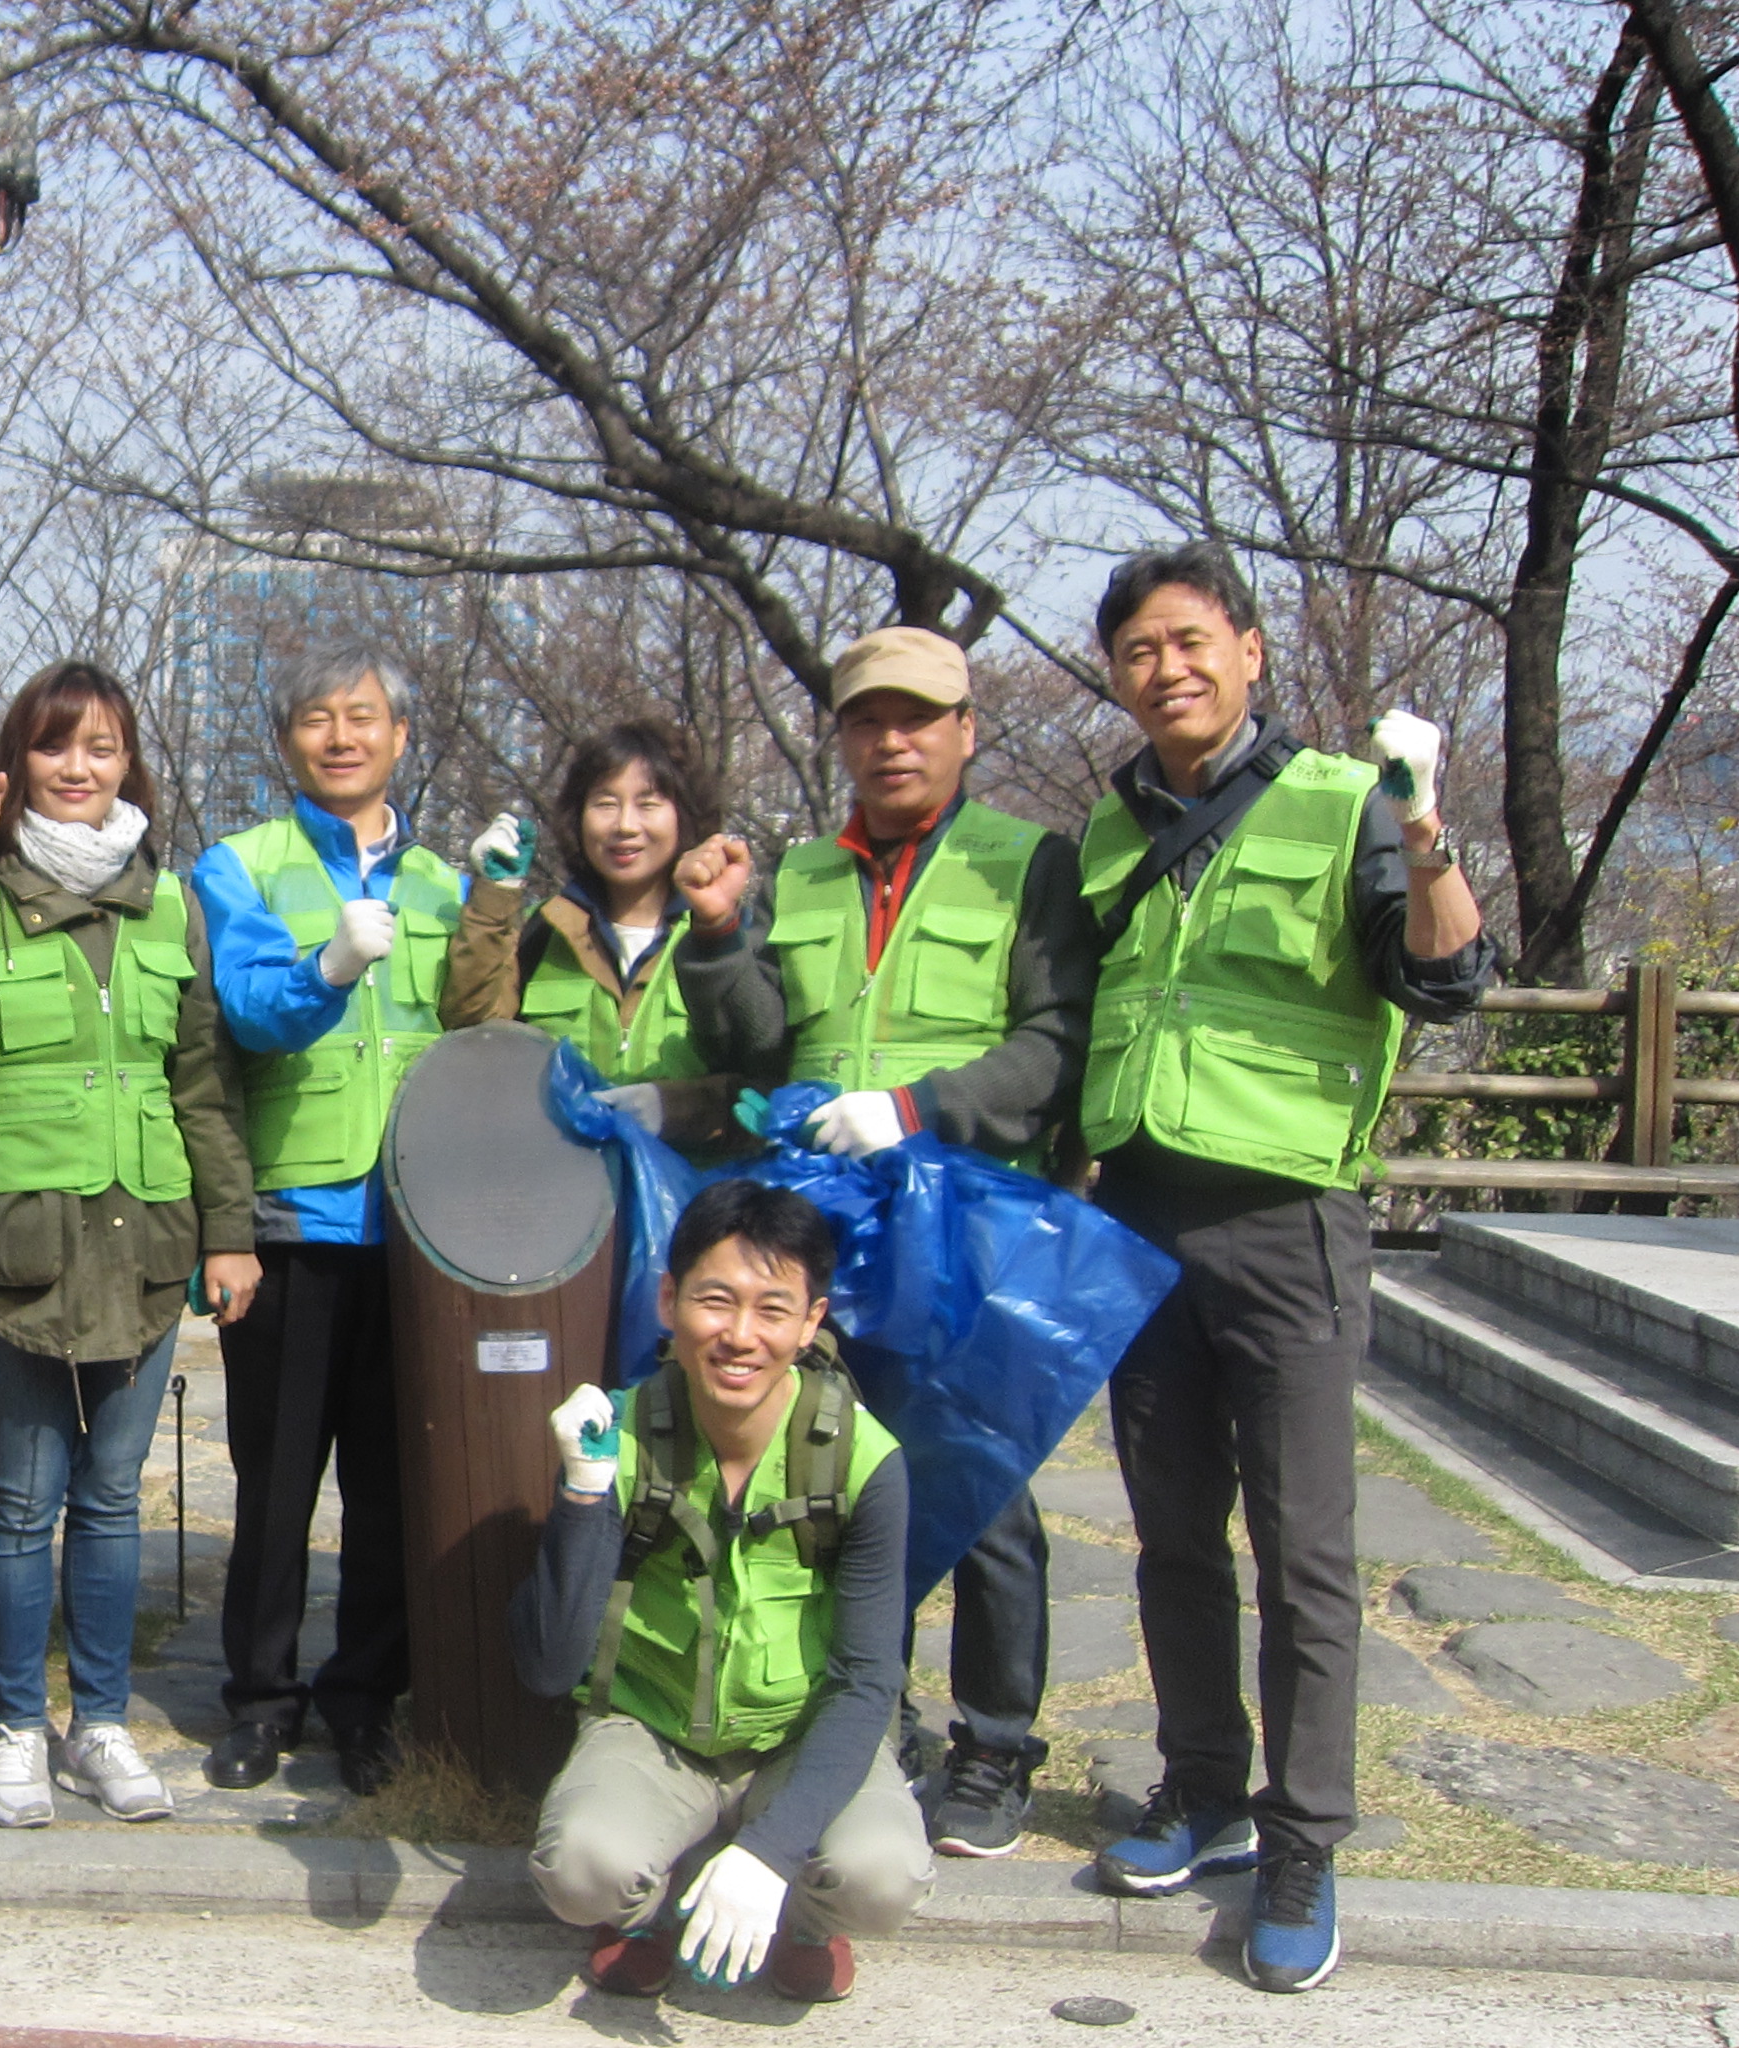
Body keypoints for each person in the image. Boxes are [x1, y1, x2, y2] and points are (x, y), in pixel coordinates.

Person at [1075, 542, 1491, 1993]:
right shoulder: (1110, 832)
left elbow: (1444, 979)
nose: (1167, 668)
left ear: (1250, 652)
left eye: (1192, 639)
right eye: (1138, 650)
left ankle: (1304, 1833)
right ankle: (1204, 1791)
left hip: (1289, 1221)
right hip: (1140, 1213)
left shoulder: (1344, 804)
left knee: (1305, 1551)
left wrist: (1425, 831)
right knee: (1172, 1533)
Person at [666, 626, 1098, 1862]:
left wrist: (918, 1109)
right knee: (839, 1479)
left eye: (918, 717)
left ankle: (998, 1743)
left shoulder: (1031, 863)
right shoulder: (796, 872)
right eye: (868, 720)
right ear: (842, 736)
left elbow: (1052, 1045)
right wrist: (714, 934)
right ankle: (876, 1719)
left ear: (966, 729)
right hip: (823, 1237)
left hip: (963, 1227)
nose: (892, 739)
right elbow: (755, 1044)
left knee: (984, 1488)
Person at [0, 662, 263, 1829]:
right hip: (14, 1249)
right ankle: (13, 1728)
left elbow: (201, 1079)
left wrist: (230, 1232)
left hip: (145, 1242)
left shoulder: (172, 901)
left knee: (110, 1498)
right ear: (17, 760)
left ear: (128, 761)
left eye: (101, 746)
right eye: (56, 747)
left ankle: (98, 1723)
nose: (79, 767)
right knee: (22, 1494)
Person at [511, 1179, 930, 2005]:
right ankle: (643, 1913)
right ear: (669, 1301)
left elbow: (870, 1680)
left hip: (797, 1735)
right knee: (582, 1872)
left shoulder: (863, 1460)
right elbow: (550, 1666)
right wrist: (584, 1493)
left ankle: (805, 1918)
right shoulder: (617, 1433)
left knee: (881, 1878)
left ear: (813, 1322)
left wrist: (771, 1855)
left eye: (774, 1310)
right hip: (653, 1729)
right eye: (715, 1300)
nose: (741, 1336)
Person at [189, 636, 456, 1797]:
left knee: (395, 1486)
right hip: (295, 1220)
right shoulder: (239, 864)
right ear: (287, 740)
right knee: (277, 1476)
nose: (341, 735)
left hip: (423, 1227)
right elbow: (247, 1011)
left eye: (364, 716)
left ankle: (366, 1696)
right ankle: (259, 1695)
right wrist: (333, 964)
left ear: (402, 737)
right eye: (316, 717)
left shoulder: (452, 884)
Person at [441, 717, 742, 1156]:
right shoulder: (546, 932)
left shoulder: (721, 937)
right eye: (605, 803)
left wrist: (672, 1107)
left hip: (689, 1201)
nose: (624, 825)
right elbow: (474, 1033)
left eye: (648, 803)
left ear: (684, 815)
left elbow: (763, 1083)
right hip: (564, 1198)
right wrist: (494, 898)